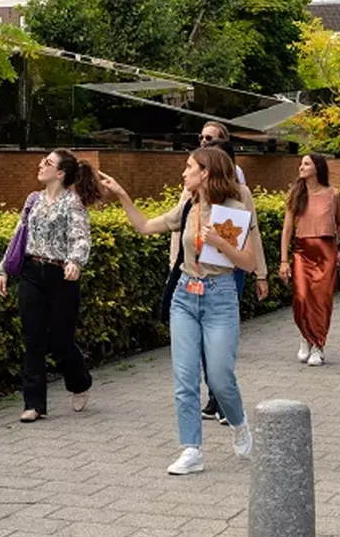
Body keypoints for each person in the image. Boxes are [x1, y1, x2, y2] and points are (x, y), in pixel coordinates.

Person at [100, 149, 258, 475]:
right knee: (184, 379)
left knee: (219, 376)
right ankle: (191, 449)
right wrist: (121, 194)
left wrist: (221, 241)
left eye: (189, 167)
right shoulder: (188, 206)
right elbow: (144, 226)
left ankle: (239, 424)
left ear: (207, 173)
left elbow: (248, 263)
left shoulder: (232, 210)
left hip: (220, 297)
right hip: (185, 296)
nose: (183, 173)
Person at [0, 149, 102, 423]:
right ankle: (34, 404)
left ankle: (79, 381)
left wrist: (75, 262)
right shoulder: (33, 200)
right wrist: (5, 269)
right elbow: (19, 235)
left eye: (48, 163)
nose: (40, 165)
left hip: (61, 276)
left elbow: (81, 237)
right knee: (33, 337)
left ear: (60, 173)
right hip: (32, 272)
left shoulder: (73, 203)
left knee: (60, 339)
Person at [178, 135, 268, 425]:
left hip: (223, 282)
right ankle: (196, 437)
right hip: (187, 282)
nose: (203, 141)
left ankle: (224, 400)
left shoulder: (236, 199)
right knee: (187, 372)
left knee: (219, 361)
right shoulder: (189, 198)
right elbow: (174, 231)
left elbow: (249, 243)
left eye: (210, 140)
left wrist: (261, 274)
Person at [278, 154, 340, 367]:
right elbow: (287, 229)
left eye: (306, 163)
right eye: (301, 163)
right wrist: (283, 260)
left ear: (318, 167)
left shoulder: (334, 194)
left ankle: (318, 344)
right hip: (302, 251)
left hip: (326, 251)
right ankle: (305, 336)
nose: (301, 167)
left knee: (322, 301)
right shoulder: (296, 194)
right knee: (301, 297)